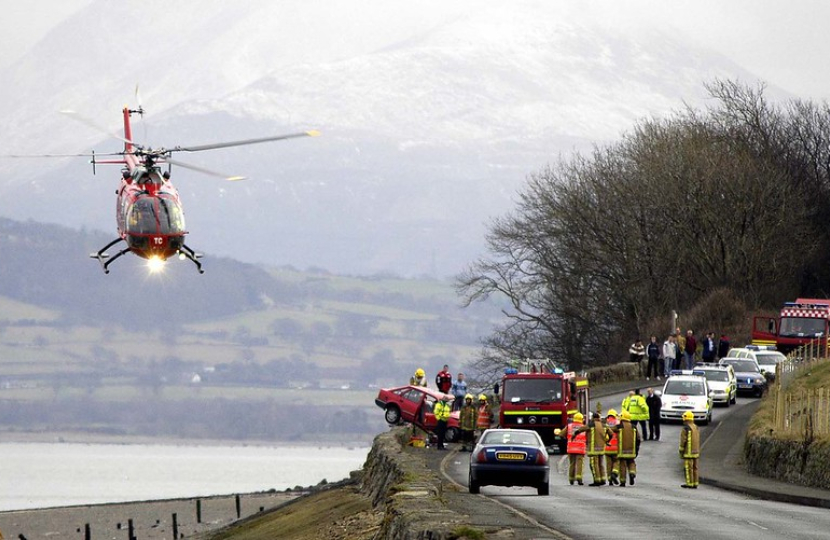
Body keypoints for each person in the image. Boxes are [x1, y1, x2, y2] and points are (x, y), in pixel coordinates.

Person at [572, 412, 614, 486]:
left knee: (594, 464)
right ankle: (603, 479)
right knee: (601, 464)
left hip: (593, 449)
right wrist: (607, 441)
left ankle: (596, 480)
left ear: (593, 418)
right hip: (601, 448)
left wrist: (575, 433)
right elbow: (611, 434)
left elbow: (582, 429)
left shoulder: (591, 424)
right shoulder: (604, 425)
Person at [555, 412, 586, 485]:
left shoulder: (569, 426)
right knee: (579, 463)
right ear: (581, 419)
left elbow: (561, 434)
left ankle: (571, 479)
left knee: (572, 464)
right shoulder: (584, 427)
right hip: (580, 449)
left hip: (571, 448)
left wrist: (566, 437)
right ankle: (579, 478)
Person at [612, 410, 641, 487]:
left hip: (622, 450)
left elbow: (610, 430)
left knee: (622, 465)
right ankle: (632, 474)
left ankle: (622, 481)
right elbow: (638, 439)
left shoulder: (619, 426)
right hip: (631, 450)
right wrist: (636, 449)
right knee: (631, 462)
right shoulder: (634, 427)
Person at [679, 410, 700, 488]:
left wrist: (681, 450)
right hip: (696, 451)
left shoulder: (686, 428)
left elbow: (683, 441)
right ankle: (695, 483)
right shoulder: (696, 427)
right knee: (695, 468)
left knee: (688, 468)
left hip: (688, 452)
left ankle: (689, 483)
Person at [604, 409, 620, 485]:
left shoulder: (605, 423)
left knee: (608, 464)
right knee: (617, 462)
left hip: (607, 448)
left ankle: (610, 480)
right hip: (616, 447)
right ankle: (615, 473)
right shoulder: (617, 423)